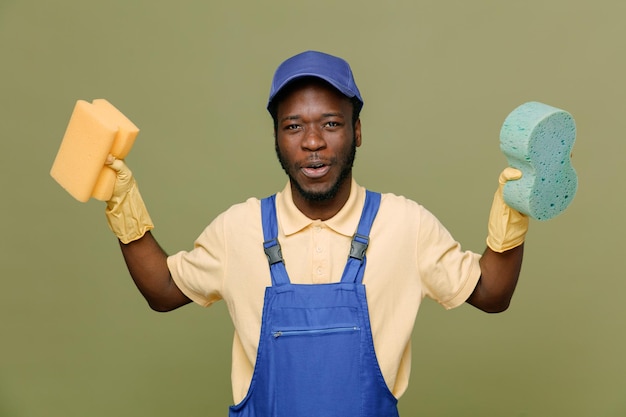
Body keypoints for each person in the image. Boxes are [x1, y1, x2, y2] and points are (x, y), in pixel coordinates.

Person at [103, 50, 528, 416]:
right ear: (276, 137)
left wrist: (515, 209)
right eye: (293, 126)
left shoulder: (405, 225)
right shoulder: (239, 229)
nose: (312, 142)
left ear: (356, 132)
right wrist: (123, 203)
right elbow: (162, 291)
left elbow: (491, 294)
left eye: (330, 124)